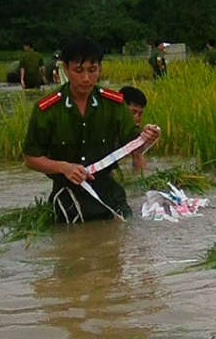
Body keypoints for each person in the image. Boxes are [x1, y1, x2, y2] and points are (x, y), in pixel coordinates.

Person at [23, 37, 161, 222]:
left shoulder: (114, 104)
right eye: (78, 71)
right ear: (66, 69)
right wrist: (63, 168)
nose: (86, 78)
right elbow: (31, 159)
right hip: (67, 201)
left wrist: (147, 136)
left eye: (92, 70)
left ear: (100, 70)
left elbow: (134, 145)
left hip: (110, 198)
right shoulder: (47, 109)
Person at [119, 85, 149, 173]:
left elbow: (141, 171)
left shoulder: (132, 134)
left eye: (140, 114)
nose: (137, 118)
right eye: (133, 112)